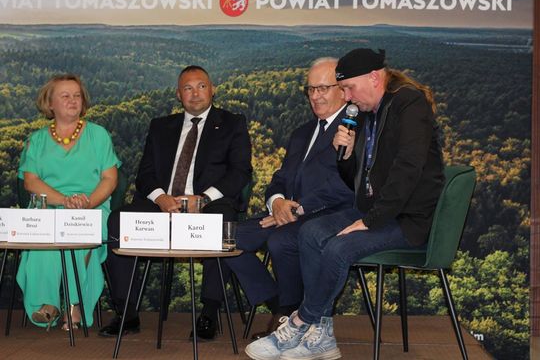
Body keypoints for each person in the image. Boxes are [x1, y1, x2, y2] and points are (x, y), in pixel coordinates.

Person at [245, 48, 445, 360]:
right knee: (310, 233)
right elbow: (358, 179)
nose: (347, 97)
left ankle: (301, 322)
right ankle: (322, 337)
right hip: (374, 209)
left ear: (374, 78)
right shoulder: (366, 112)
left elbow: (408, 169)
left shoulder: (408, 104)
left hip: (407, 218)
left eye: (349, 88)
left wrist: (370, 220)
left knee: (338, 248)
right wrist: (348, 156)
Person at [198, 58, 354, 340]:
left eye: (323, 88)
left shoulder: (354, 130)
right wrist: (277, 202)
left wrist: (297, 210)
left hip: (330, 216)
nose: (315, 96)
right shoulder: (302, 133)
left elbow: (347, 185)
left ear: (343, 91)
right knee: (224, 238)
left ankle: (293, 320)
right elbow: (280, 178)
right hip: (286, 213)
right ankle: (282, 308)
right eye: (310, 89)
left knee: (281, 240)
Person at [98, 65, 252, 337]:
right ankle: (127, 312)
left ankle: (209, 313)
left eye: (201, 86)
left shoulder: (232, 124)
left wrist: (202, 199)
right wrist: (161, 198)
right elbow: (145, 174)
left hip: (208, 204)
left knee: (224, 223)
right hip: (163, 204)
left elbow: (240, 172)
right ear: (179, 95)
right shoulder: (161, 127)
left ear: (212, 90)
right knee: (118, 220)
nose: (196, 94)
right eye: (188, 88)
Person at [17, 74, 121, 331]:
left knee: (78, 229)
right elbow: (30, 181)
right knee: (44, 236)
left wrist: (87, 204)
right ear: (50, 103)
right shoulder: (36, 140)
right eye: (65, 96)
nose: (73, 100)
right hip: (48, 206)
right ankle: (48, 303)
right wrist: (64, 201)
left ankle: (75, 305)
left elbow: (110, 179)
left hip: (91, 206)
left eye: (77, 95)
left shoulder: (98, 135)